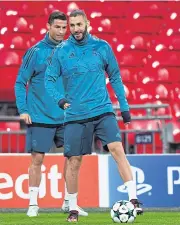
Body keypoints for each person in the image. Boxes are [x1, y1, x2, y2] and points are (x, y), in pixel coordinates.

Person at [45, 9, 143, 222]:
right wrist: (60, 100)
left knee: (117, 149)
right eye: (72, 26)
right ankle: (72, 207)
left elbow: (115, 77)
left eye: (79, 25)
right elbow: (48, 80)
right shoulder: (61, 51)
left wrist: (124, 108)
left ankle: (134, 199)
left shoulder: (102, 47)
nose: (76, 29)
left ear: (87, 23)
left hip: (102, 110)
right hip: (75, 115)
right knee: (73, 160)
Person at [14, 10, 88, 217]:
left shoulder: (71, 50)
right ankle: (33, 204)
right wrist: (23, 110)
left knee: (74, 157)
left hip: (67, 116)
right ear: (48, 26)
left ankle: (68, 202)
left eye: (65, 28)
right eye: (58, 27)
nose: (62, 31)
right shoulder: (35, 52)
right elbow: (21, 82)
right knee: (37, 159)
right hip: (40, 115)